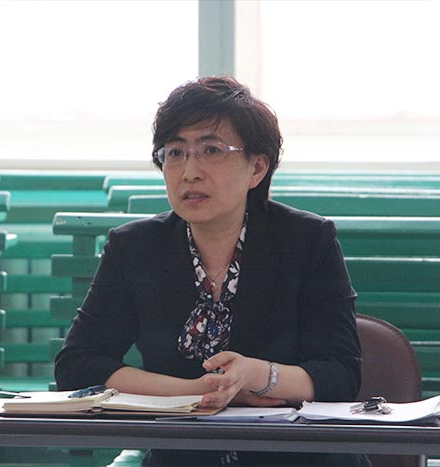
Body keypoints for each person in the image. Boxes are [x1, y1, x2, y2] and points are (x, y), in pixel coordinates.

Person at [55, 76, 370, 467]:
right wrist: (194, 391)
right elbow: (78, 365)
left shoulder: (307, 240)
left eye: (211, 150)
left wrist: (258, 375)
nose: (190, 172)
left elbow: (340, 374)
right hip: (182, 456)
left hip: (299, 458)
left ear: (256, 168)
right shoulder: (134, 247)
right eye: (175, 153)